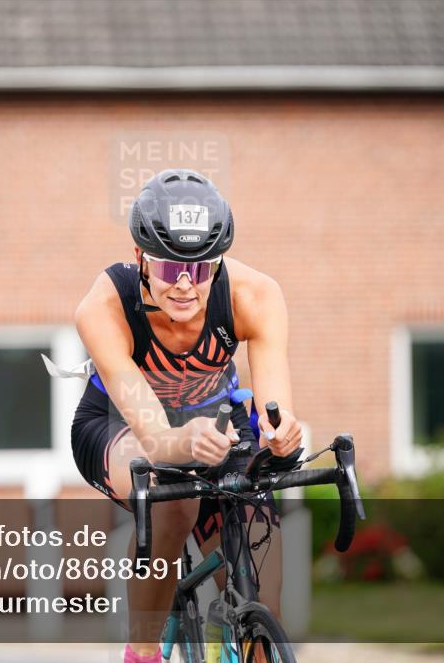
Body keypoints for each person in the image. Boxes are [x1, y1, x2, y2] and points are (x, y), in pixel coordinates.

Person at [71, 169, 303, 663]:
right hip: (119, 424)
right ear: (139, 259)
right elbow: (156, 438)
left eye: (199, 270)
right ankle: (144, 651)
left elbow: (272, 410)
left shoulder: (254, 295)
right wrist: (183, 440)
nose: (182, 284)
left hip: (217, 417)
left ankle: (242, 640)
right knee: (171, 499)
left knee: (263, 589)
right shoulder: (104, 305)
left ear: (217, 264)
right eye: (166, 267)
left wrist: (281, 436)